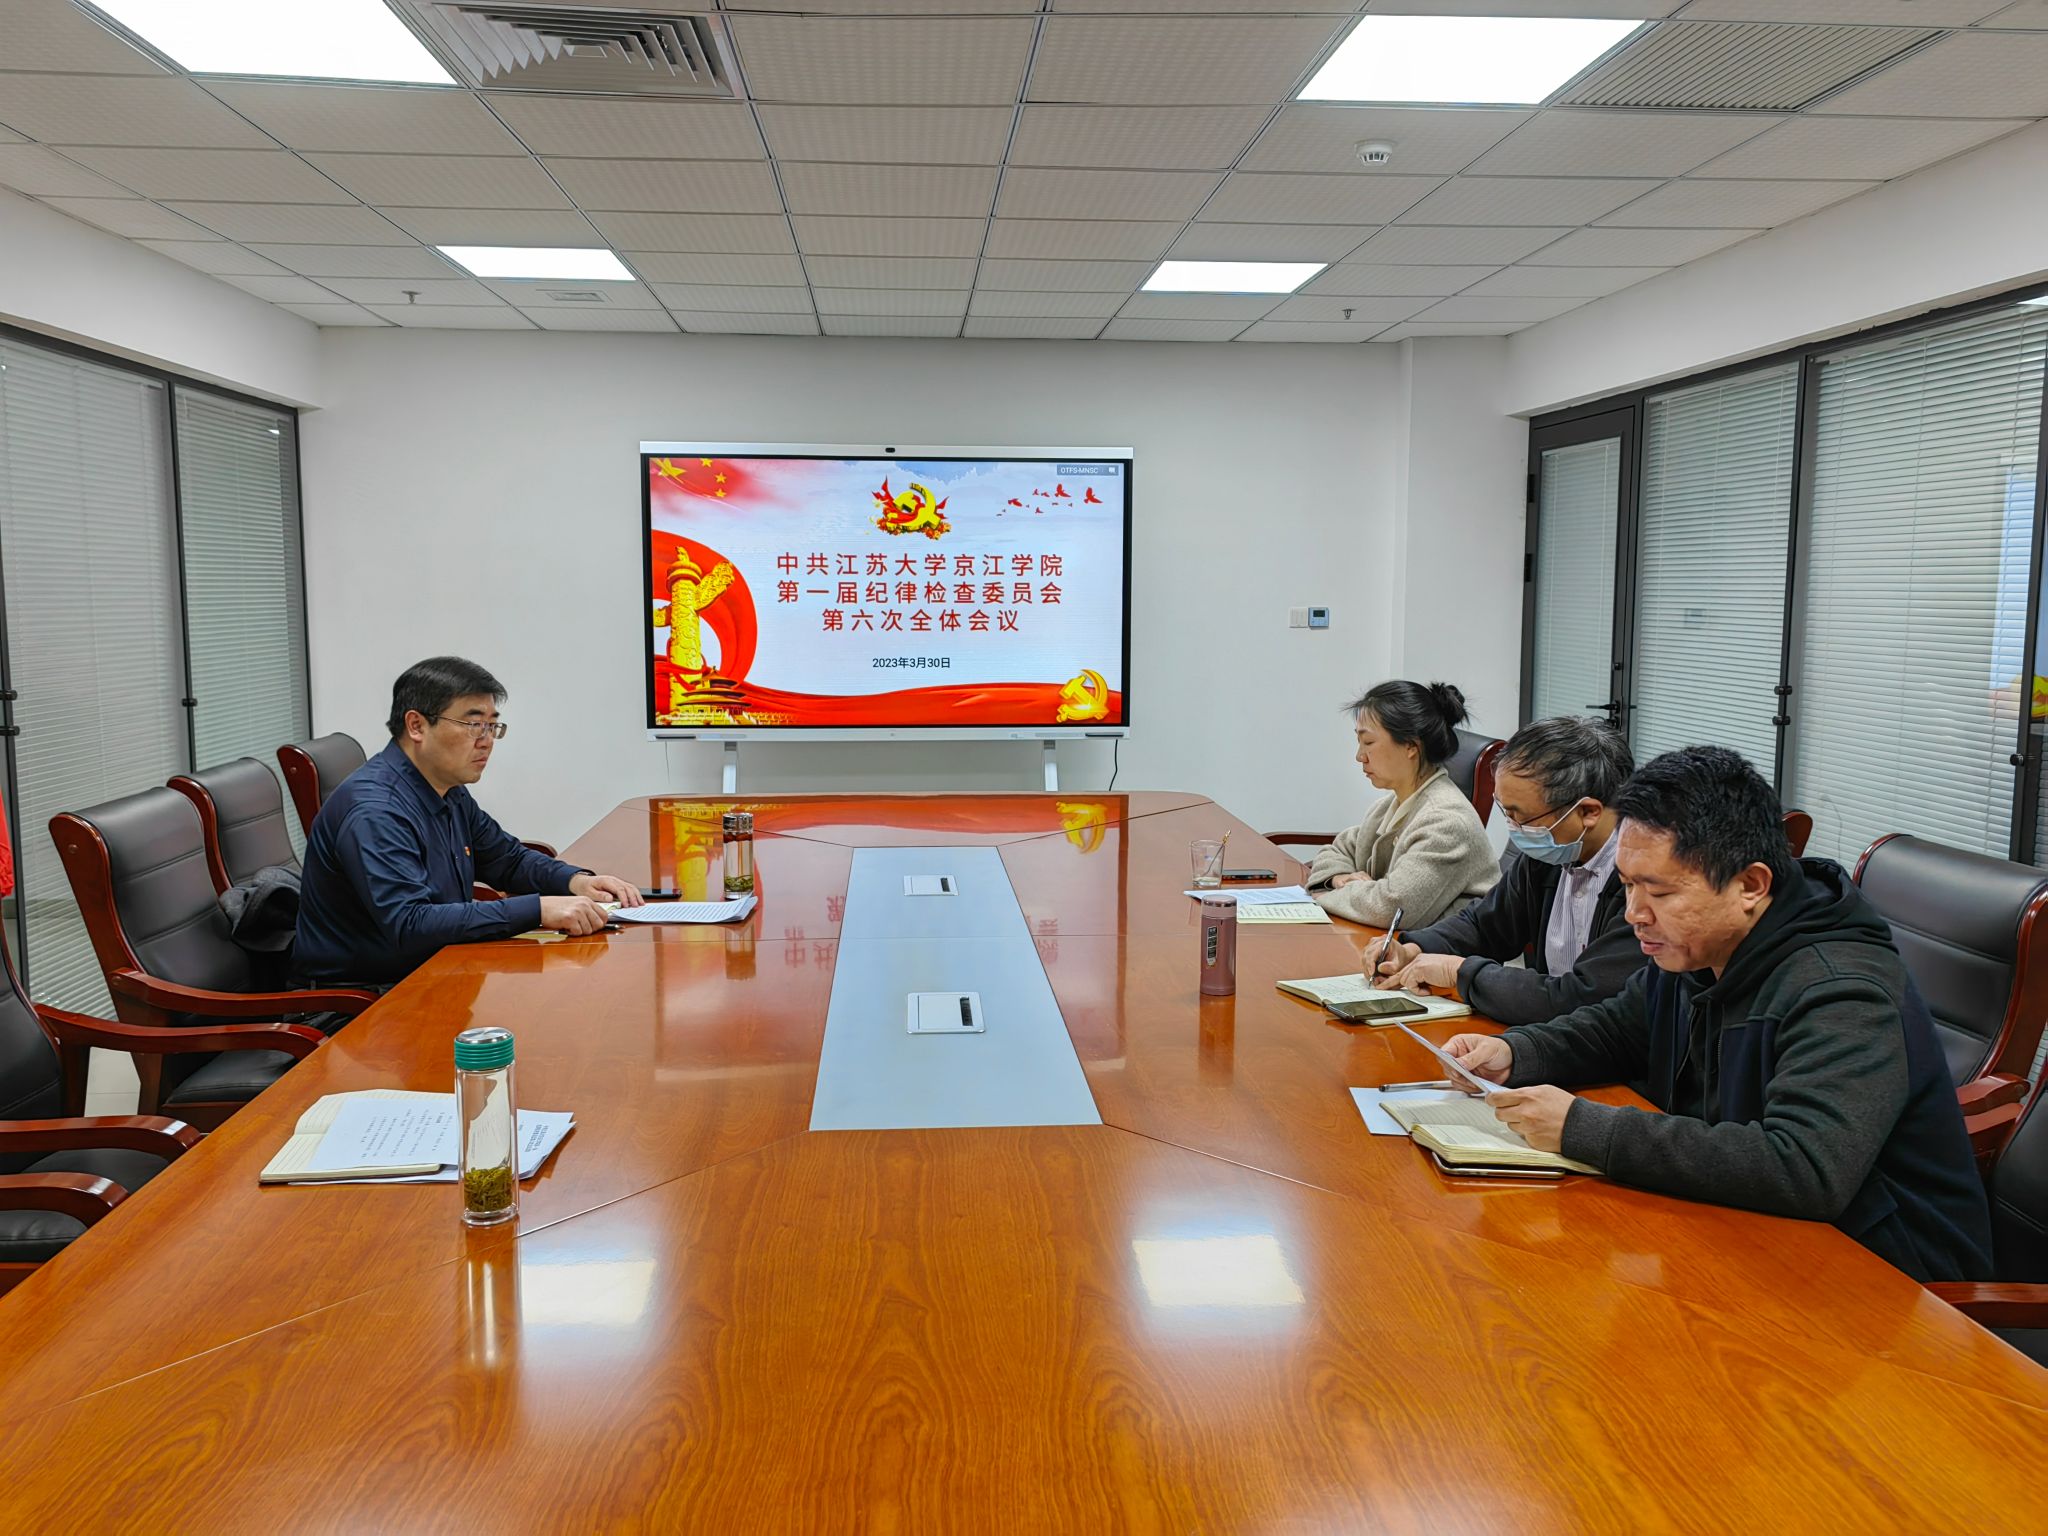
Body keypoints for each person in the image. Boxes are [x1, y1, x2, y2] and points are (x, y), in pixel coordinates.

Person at [1443, 746, 1992, 1283]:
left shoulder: (1840, 988)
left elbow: (1805, 1167)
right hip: (1744, 1229)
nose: (1634, 914)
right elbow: (1619, 1028)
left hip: (1885, 1274)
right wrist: (1517, 1052)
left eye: (1658, 892)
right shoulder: (1699, 944)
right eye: (1628, 885)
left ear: (1750, 885)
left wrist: (1581, 1127)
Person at [295, 656, 645, 988]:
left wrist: (576, 882)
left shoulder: (446, 789)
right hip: (365, 1001)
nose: (487, 741)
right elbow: (410, 923)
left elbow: (507, 859)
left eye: (492, 726)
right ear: (416, 725)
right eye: (474, 725)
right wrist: (538, 909)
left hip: (434, 971)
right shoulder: (376, 811)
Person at [1373, 716, 1642, 1023]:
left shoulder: (1643, 884)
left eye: (1521, 816)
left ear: (1588, 812)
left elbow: (1582, 997)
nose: (1514, 828)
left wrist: (1459, 973)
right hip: (1549, 1035)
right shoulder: (1550, 855)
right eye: (1506, 812)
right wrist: (1413, 947)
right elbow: (1484, 924)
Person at [1304, 680, 1498, 930]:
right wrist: (1338, 877)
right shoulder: (1389, 806)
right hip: (1393, 943)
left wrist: (1325, 896)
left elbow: (1391, 908)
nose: (1359, 756)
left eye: (1368, 742)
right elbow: (1339, 849)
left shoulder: (1446, 821)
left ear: (1410, 746)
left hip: (1444, 952)